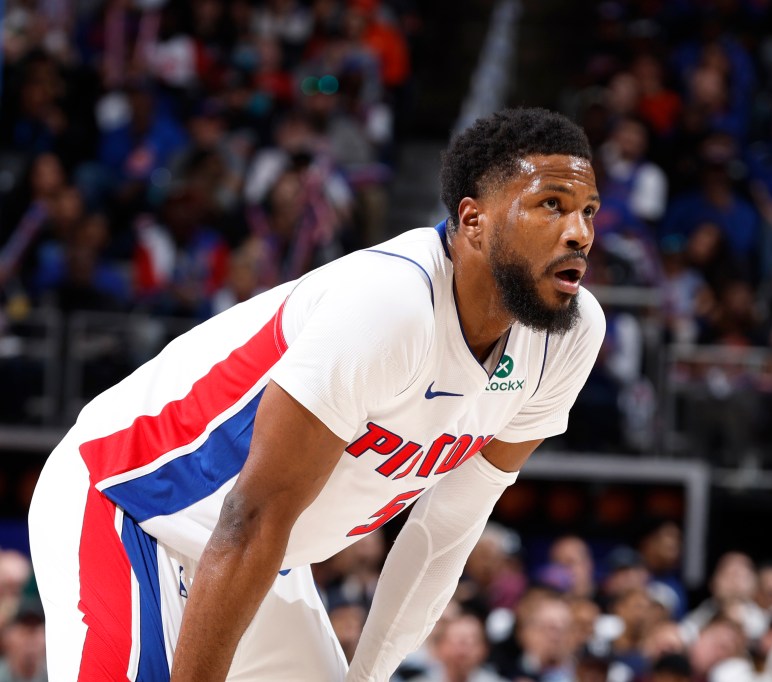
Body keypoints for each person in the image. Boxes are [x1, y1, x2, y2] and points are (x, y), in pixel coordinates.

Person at [27, 107, 606, 680]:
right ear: (473, 220)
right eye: (550, 205)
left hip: (261, 557)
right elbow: (250, 517)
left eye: (587, 211)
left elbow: (446, 527)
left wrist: (368, 675)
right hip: (129, 500)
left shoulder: (571, 335)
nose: (579, 232)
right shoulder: (391, 306)